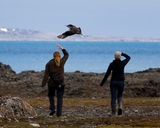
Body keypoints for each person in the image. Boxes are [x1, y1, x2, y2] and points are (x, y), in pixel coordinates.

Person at [42, 44, 69, 117]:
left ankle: (52, 109)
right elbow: (67, 55)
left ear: (53, 56)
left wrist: (43, 84)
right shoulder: (62, 61)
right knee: (59, 98)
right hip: (61, 83)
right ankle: (59, 114)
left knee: (51, 96)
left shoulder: (49, 64)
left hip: (52, 83)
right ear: (59, 56)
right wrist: (62, 48)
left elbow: (46, 75)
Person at [100, 51, 130, 116]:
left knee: (113, 97)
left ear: (114, 56)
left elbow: (107, 74)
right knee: (120, 95)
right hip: (121, 81)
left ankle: (113, 112)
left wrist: (102, 83)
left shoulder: (112, 64)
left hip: (113, 81)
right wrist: (122, 53)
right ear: (120, 56)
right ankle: (120, 108)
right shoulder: (122, 63)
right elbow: (128, 57)